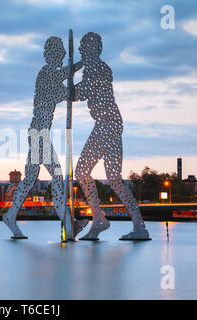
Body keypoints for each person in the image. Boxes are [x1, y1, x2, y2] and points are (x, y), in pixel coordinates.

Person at [3, 36, 87, 239]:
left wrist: (79, 64)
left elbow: (64, 77)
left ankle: (11, 216)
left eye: (63, 56)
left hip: (38, 133)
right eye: (59, 55)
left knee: (30, 179)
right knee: (58, 177)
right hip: (39, 134)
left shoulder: (50, 73)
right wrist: (83, 69)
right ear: (51, 55)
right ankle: (68, 225)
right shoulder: (46, 74)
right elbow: (68, 91)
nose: (61, 58)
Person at [74, 32, 150, 240]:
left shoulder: (96, 68)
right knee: (114, 180)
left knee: (81, 171)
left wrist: (60, 90)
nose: (80, 51)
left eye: (83, 48)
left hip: (107, 125)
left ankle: (100, 219)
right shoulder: (97, 67)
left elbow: (81, 93)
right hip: (112, 124)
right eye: (80, 48)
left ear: (92, 49)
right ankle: (138, 226)